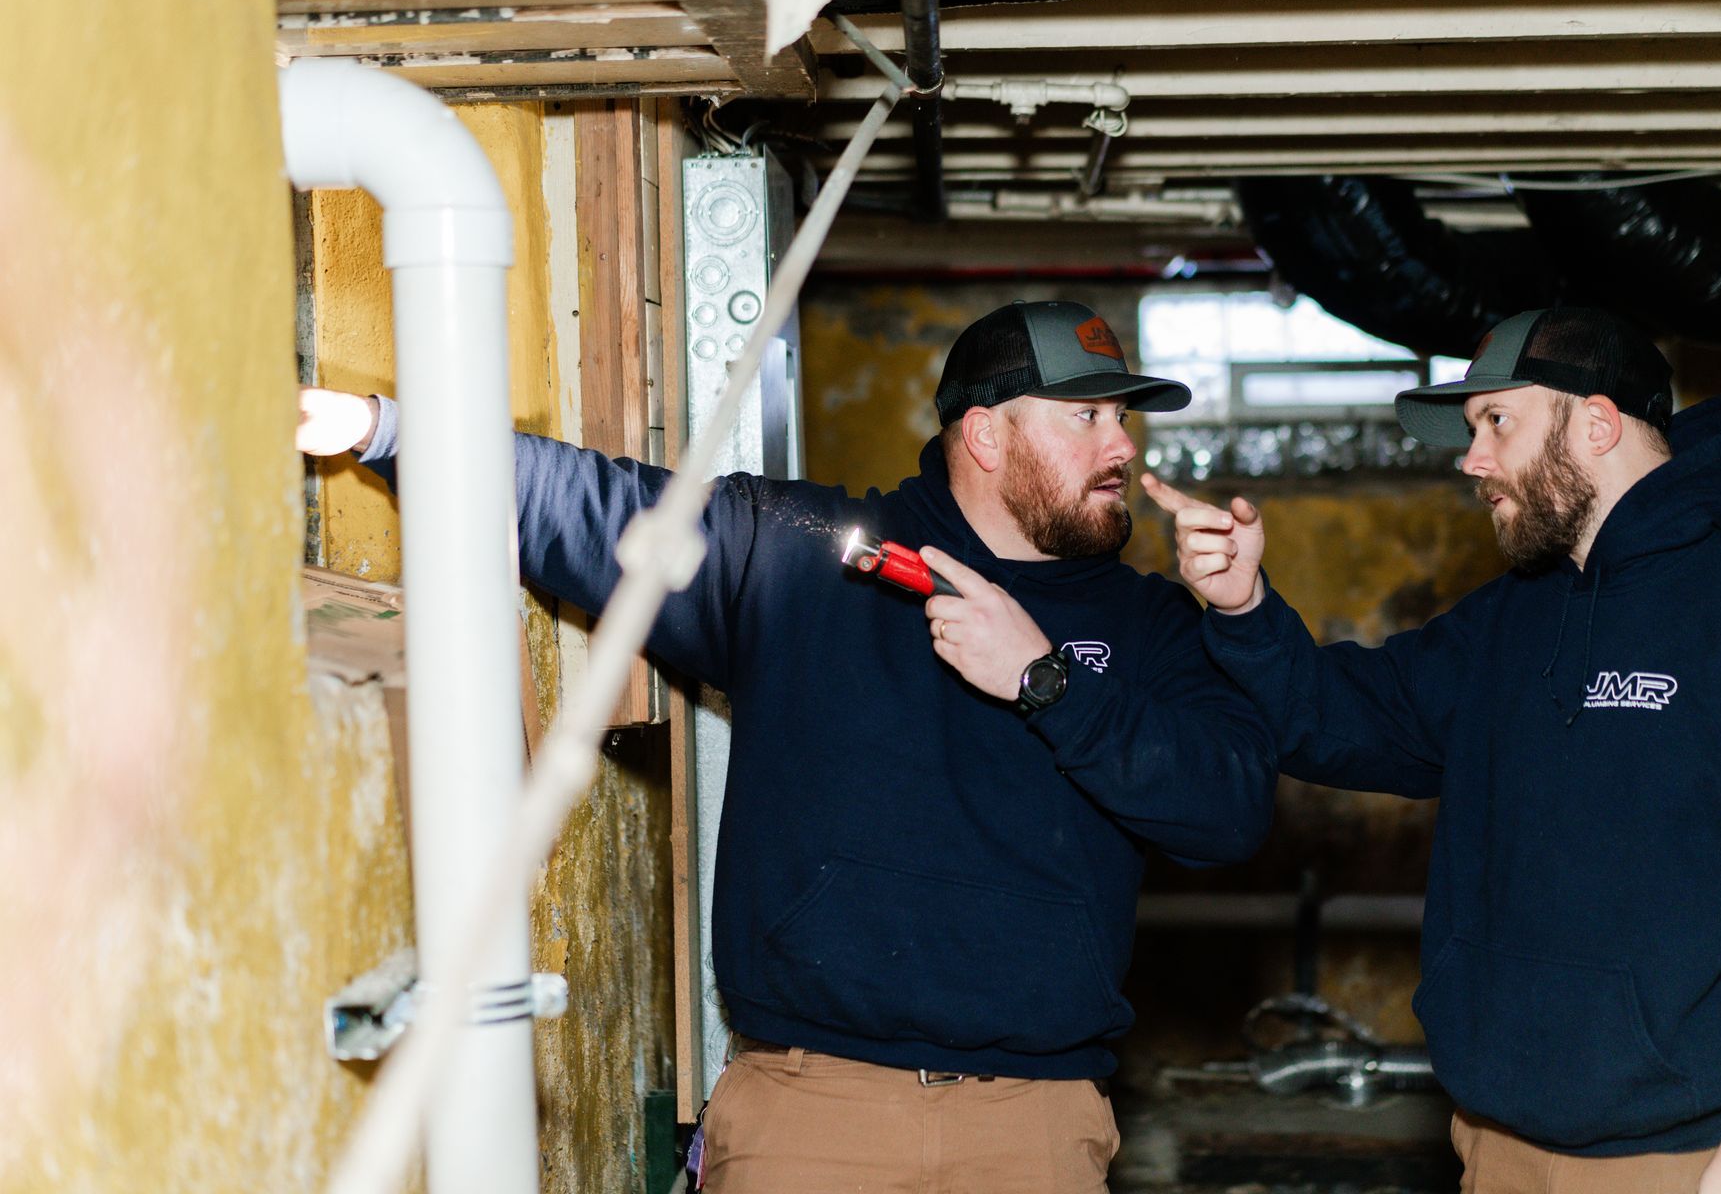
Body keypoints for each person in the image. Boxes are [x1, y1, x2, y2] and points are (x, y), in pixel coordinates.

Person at [300, 300, 1278, 1193]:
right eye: (1086, 415)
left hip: (1033, 1124)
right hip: (812, 1113)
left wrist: (1045, 681)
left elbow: (1229, 809)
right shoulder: (808, 555)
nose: (1122, 444)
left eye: (1123, 416)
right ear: (986, 433)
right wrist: (381, 431)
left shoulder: (1154, 626)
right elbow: (592, 507)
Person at [1142, 307, 1721, 1194]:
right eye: (1473, 431)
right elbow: (1341, 716)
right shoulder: (1509, 621)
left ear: (1595, 423)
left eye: (1496, 423)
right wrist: (1244, 610)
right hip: (1496, 1149)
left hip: (1696, 1163)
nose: (1472, 460)